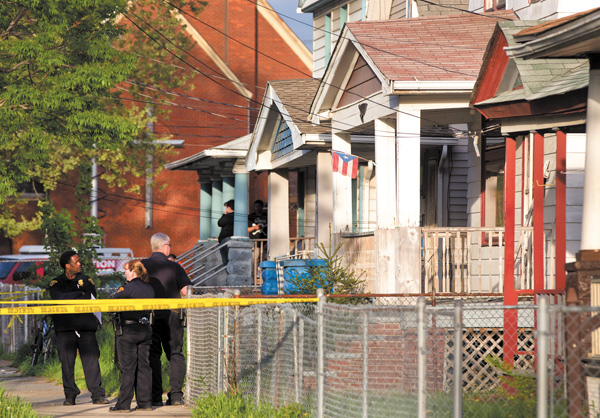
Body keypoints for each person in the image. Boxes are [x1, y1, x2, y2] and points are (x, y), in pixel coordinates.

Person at [48, 250, 109, 406]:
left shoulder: (86, 280)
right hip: (65, 329)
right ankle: (70, 395)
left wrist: (73, 296)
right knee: (67, 364)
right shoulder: (56, 282)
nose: (80, 264)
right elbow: (57, 298)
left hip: (85, 327)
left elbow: (89, 296)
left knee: (91, 361)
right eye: (76, 262)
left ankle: (97, 394)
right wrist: (77, 294)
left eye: (79, 261)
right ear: (67, 265)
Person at [142, 233, 192, 406]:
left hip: (151, 315)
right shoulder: (174, 267)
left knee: (153, 354)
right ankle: (176, 396)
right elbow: (187, 291)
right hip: (173, 314)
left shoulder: (142, 266)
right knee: (175, 354)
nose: (170, 248)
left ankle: (155, 397)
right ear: (164, 247)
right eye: (170, 245)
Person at [108, 260, 155, 413]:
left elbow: (112, 301)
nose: (125, 273)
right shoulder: (149, 288)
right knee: (144, 367)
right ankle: (145, 403)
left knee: (128, 368)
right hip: (145, 329)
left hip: (129, 330)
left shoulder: (127, 288)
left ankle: (123, 405)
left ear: (133, 272)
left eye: (126, 270)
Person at [217, 199, 235, 264]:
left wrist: (224, 214)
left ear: (228, 207)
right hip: (228, 240)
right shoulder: (236, 216)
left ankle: (229, 273)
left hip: (226, 240)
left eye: (226, 207)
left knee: (226, 262)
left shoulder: (229, 216)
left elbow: (220, 223)